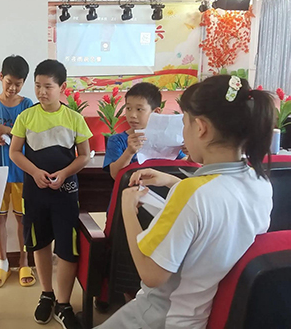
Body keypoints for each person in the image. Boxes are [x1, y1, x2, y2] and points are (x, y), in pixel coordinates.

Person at [95, 75, 275, 329]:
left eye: (184, 123)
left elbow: (151, 273)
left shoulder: (191, 194)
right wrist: (172, 181)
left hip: (161, 317)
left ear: (200, 127)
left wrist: (127, 209)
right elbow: (215, 206)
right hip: (202, 315)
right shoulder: (260, 182)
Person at [10, 59, 93, 329]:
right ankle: (46, 294)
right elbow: (14, 152)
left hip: (65, 193)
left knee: (67, 248)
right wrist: (35, 172)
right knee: (40, 243)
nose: (42, 92)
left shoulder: (74, 118)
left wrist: (65, 173)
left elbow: (84, 156)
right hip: (35, 193)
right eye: (37, 86)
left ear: (62, 88)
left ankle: (63, 303)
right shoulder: (26, 117)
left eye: (48, 86)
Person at [0, 55, 35, 288]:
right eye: (9, 82)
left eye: (18, 84)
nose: (13, 88)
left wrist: (7, 130)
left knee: (22, 219)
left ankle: (24, 261)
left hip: (21, 172)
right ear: (0, 77)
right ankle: (2, 261)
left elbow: (33, 136)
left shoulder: (27, 105)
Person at [103, 82, 185, 180]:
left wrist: (189, 154)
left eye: (139, 109)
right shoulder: (117, 140)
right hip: (132, 188)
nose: (132, 115)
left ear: (156, 112)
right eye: (128, 108)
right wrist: (129, 152)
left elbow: (186, 166)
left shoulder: (168, 138)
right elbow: (115, 175)